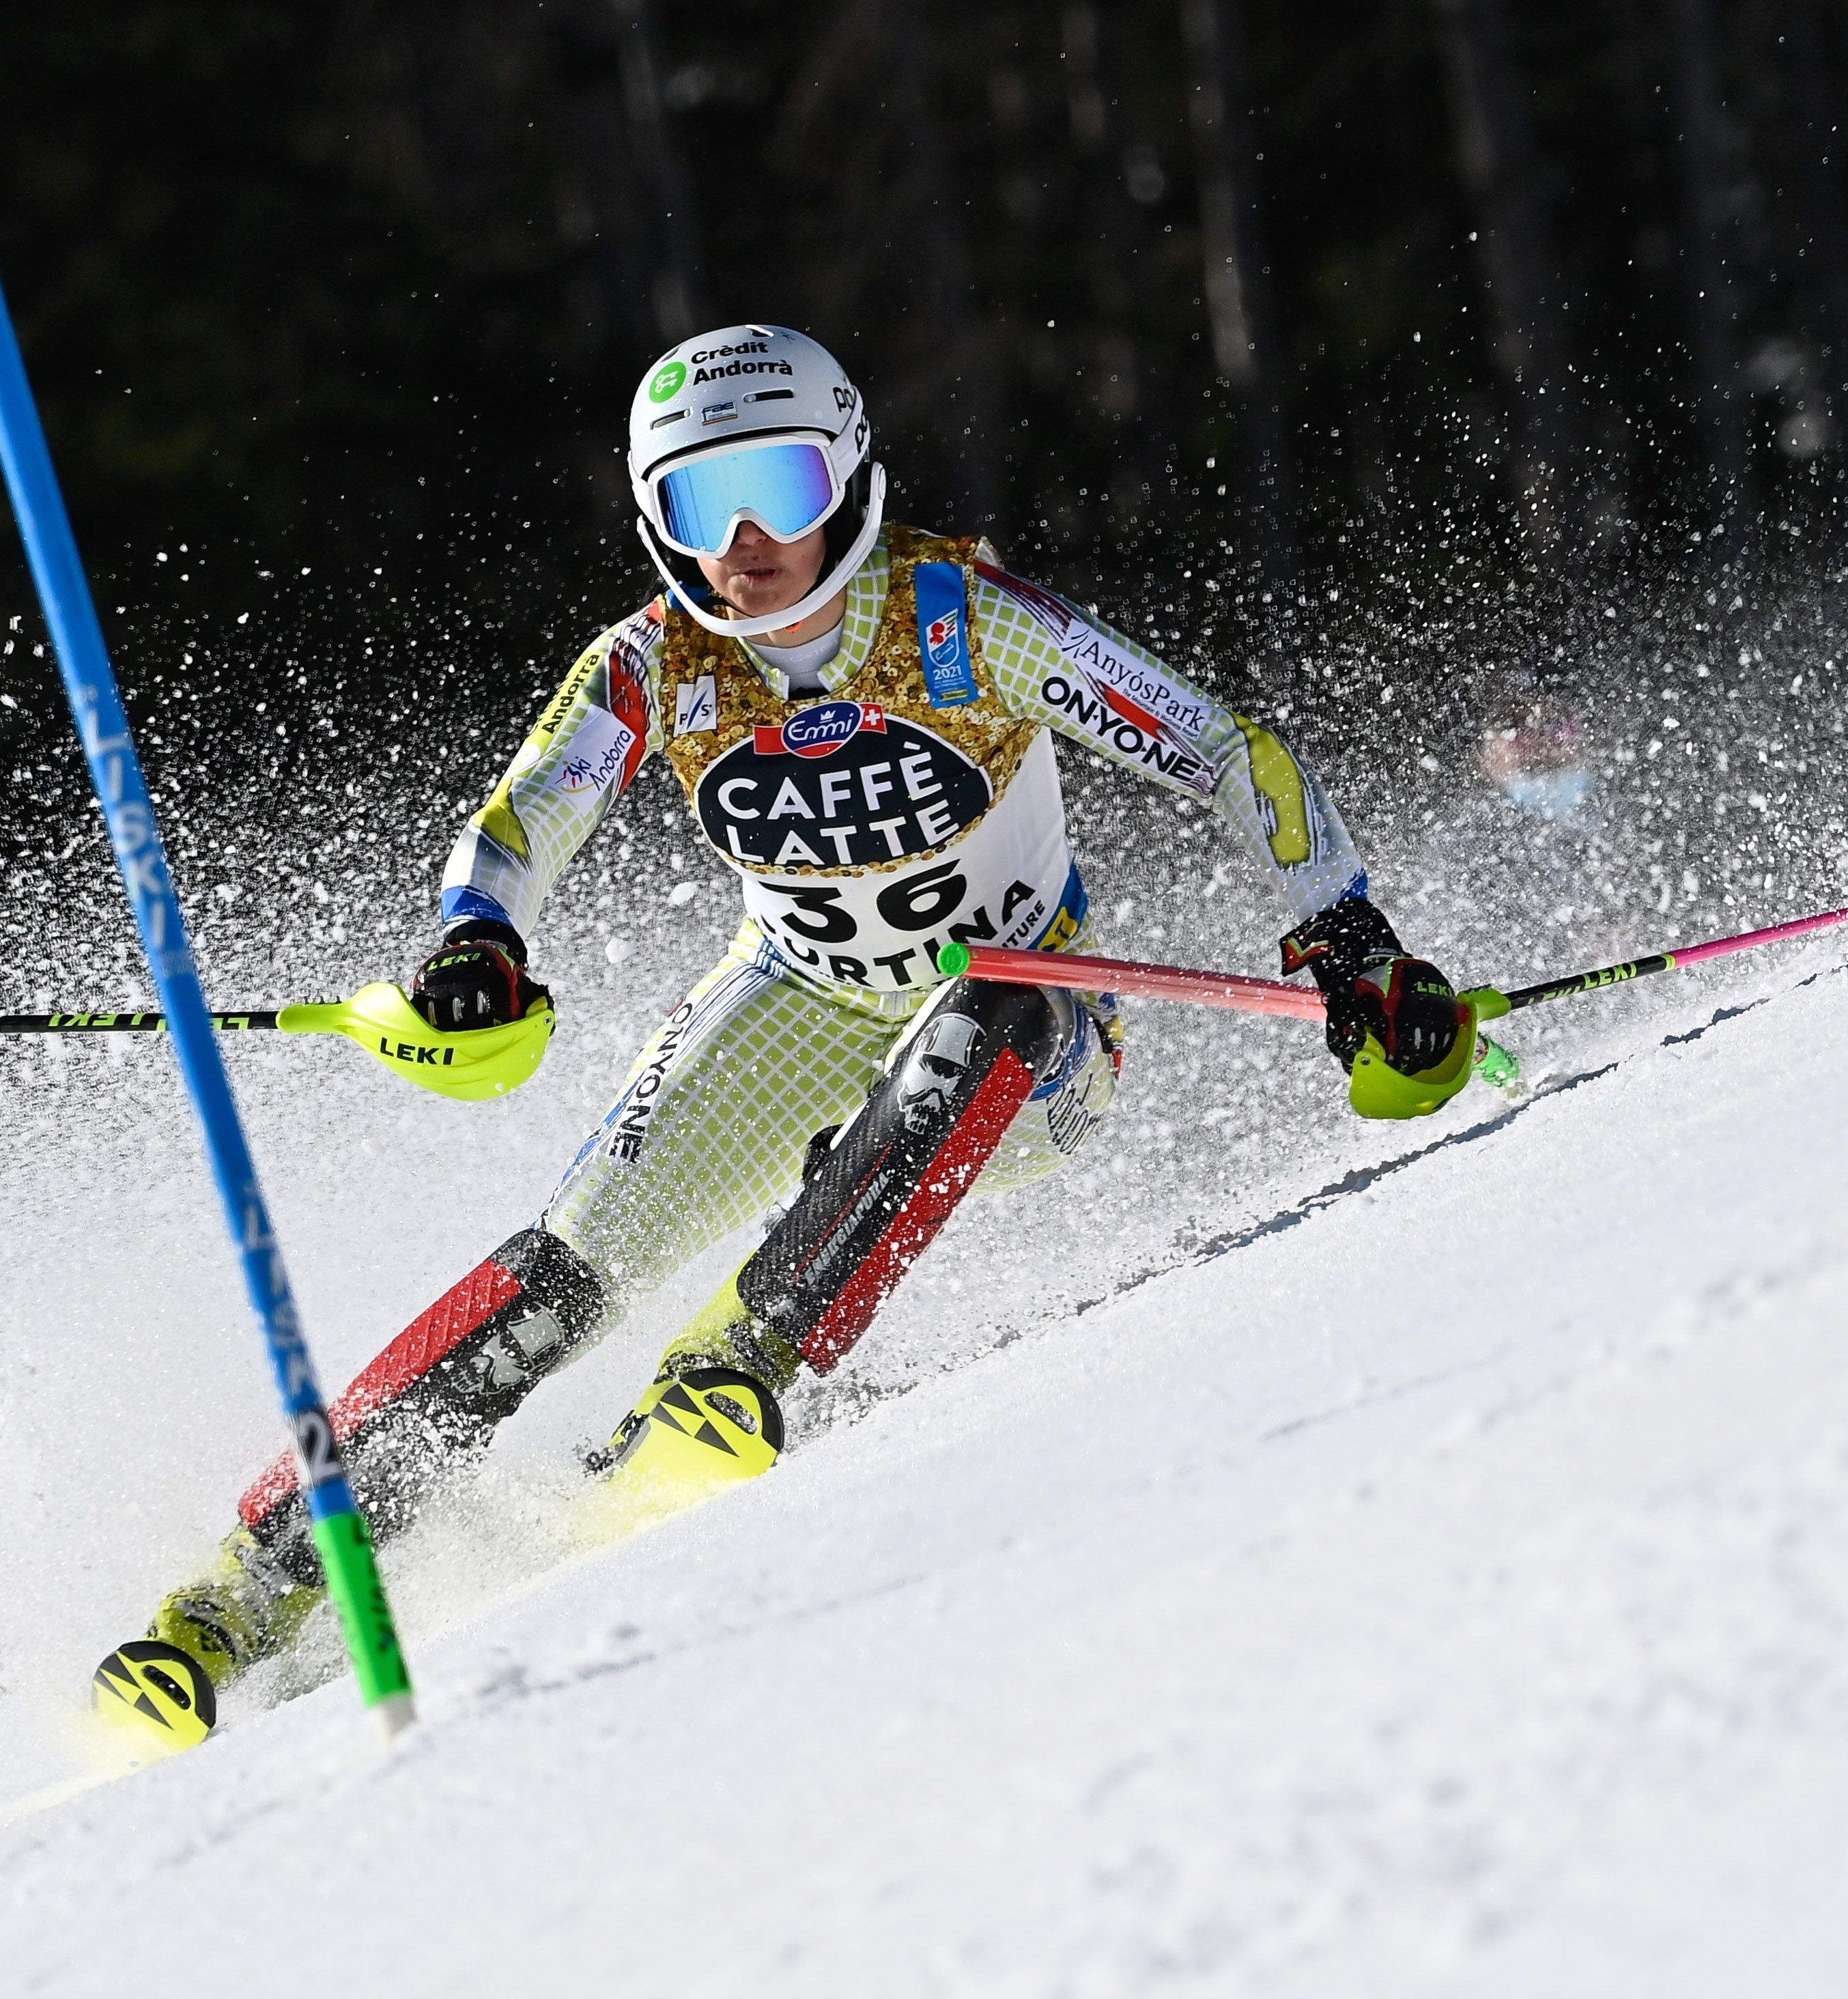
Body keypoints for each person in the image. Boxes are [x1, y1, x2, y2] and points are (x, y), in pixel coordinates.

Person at [94, 326, 1473, 1744]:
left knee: (985, 1011)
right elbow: (520, 823)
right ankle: (242, 1594)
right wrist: (476, 941)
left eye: (781, 486)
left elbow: (1227, 749)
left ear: (850, 476)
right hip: (797, 1001)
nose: (747, 542)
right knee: (558, 1276)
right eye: (701, 503)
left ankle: (736, 1365)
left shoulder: (964, 614)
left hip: (1036, 1032)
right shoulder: (652, 663)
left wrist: (1347, 932)